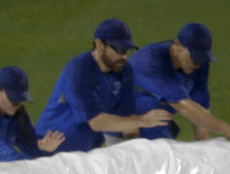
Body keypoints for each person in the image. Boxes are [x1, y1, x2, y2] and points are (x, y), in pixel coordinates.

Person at [35, 18, 173, 153]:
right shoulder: (80, 69)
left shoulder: (125, 72)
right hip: (49, 153)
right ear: (99, 44)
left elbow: (127, 121)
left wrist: (132, 153)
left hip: (84, 156)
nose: (124, 56)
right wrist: (142, 120)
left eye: (127, 50)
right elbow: (96, 122)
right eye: (119, 50)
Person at [129, 23, 230, 143]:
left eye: (201, 58)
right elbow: (184, 106)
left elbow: (200, 104)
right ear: (177, 46)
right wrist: (227, 129)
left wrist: (205, 145)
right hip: (123, 119)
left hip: (156, 116)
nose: (197, 64)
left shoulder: (198, 64)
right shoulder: (152, 61)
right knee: (152, 111)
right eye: (194, 57)